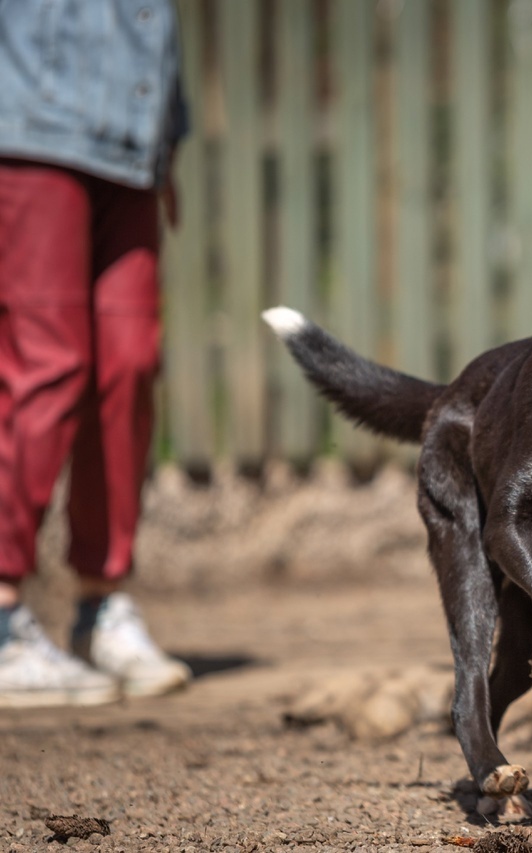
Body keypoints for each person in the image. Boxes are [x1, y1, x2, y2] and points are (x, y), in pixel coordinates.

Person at [0, 0, 193, 707]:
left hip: (134, 139)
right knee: (45, 362)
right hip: (29, 124)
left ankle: (98, 604)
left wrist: (169, 128)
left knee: (128, 362)